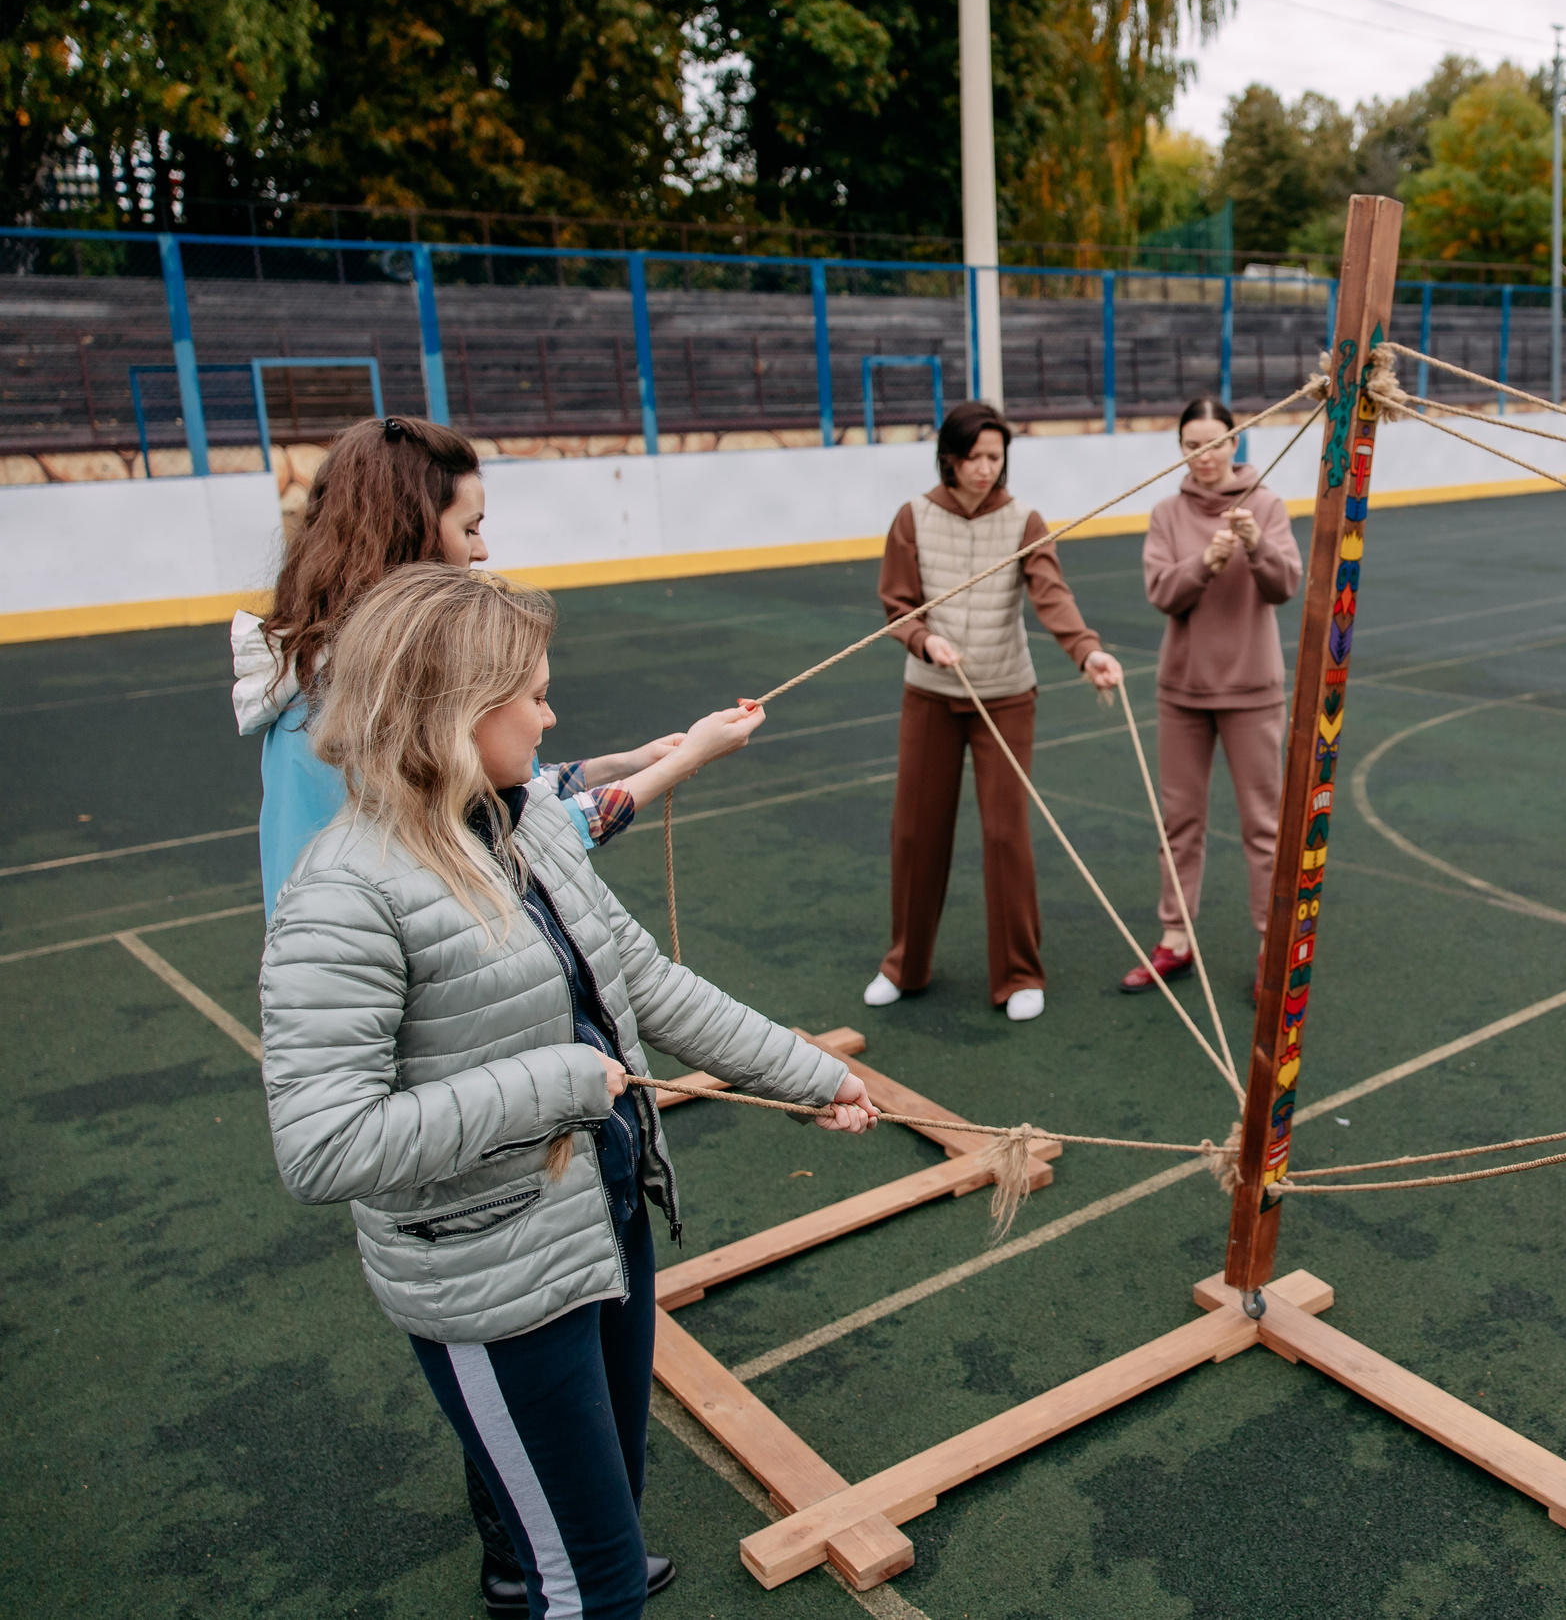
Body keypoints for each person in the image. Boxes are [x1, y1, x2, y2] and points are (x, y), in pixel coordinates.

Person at [260, 564, 879, 1620]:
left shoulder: (523, 821)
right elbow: (322, 1145)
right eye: (536, 695)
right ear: (457, 711)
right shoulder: (345, 892)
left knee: (604, 1532)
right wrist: (554, 1082)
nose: (554, 714)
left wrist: (812, 1073)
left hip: (598, 1223)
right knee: (582, 1584)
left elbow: (642, 979)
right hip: (493, 1278)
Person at [234, 416, 763, 920]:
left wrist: (627, 761)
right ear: (411, 532)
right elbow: (523, 837)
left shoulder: (320, 667)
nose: (482, 550)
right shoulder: (372, 699)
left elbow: (505, 793)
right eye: (469, 529)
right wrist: (680, 762)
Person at [864, 402, 1123, 1023]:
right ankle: (906, 964)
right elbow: (899, 605)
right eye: (974, 457)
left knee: (1006, 835)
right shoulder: (914, 517)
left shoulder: (1023, 520)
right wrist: (926, 641)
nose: (985, 469)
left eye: (995, 458)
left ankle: (1019, 974)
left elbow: (1051, 595)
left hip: (1006, 696)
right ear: (949, 458)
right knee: (915, 832)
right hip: (930, 694)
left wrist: (1087, 653)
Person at [1121, 398, 1303, 998]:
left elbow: (1284, 586)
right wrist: (1206, 561)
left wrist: (1255, 546)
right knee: (1180, 823)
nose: (1204, 457)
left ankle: (1269, 945)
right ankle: (1175, 939)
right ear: (1180, 449)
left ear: (1235, 443)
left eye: (1215, 443)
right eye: (1191, 446)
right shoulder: (1167, 513)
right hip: (1183, 692)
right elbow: (1162, 593)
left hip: (1253, 689)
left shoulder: (1267, 504)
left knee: (1264, 826)